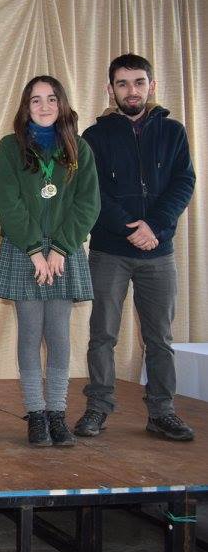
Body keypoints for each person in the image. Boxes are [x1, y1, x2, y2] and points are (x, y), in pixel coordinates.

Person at [73, 54, 196, 442]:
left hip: (158, 252)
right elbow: (93, 192)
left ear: (151, 86)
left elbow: (183, 183)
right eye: (123, 83)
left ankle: (162, 412)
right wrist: (131, 228)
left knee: (160, 339)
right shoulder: (94, 137)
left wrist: (153, 226)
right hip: (110, 251)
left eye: (139, 82)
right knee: (102, 335)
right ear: (110, 89)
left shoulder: (173, 132)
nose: (132, 90)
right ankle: (98, 407)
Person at [0, 77, 99, 447]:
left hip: (62, 252)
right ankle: (36, 414)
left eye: (51, 99)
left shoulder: (79, 148)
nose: (44, 106)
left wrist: (61, 248)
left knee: (58, 334)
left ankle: (57, 412)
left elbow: (88, 203)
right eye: (35, 100)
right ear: (26, 106)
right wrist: (35, 250)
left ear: (62, 104)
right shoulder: (10, 147)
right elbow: (9, 202)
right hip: (25, 250)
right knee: (29, 332)